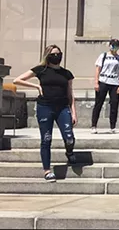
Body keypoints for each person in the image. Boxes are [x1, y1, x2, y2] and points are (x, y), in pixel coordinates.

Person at [13, 45, 77, 182]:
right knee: (46, 138)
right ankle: (47, 171)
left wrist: (73, 112)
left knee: (69, 136)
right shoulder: (41, 70)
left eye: (58, 54)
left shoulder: (66, 74)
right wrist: (36, 86)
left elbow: (70, 93)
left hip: (62, 108)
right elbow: (17, 80)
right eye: (53, 54)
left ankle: (70, 152)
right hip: (45, 107)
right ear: (47, 56)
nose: (57, 56)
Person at [91, 38, 119, 134]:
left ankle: (112, 126)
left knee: (114, 104)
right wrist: (96, 82)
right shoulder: (103, 56)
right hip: (103, 81)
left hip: (114, 82)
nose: (114, 48)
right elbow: (98, 69)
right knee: (99, 103)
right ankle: (94, 125)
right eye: (113, 45)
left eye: (116, 46)